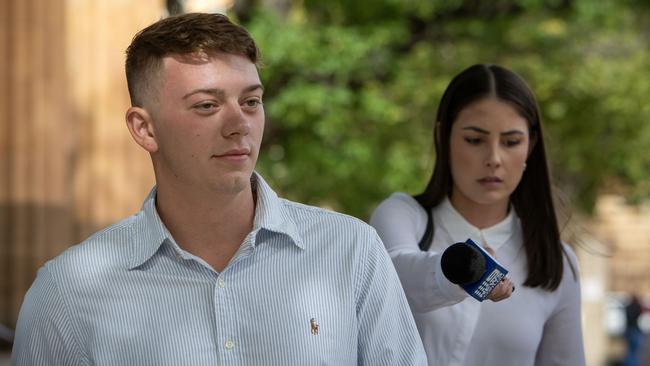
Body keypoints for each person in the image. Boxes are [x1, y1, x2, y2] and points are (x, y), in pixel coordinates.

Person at [12, 13, 426, 365]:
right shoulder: (67, 293)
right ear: (145, 128)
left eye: (251, 102)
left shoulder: (350, 252)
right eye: (207, 105)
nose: (239, 124)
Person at [370, 64, 585, 366]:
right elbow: (396, 272)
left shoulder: (555, 261)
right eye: (475, 140)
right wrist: (465, 268)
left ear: (531, 145)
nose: (494, 159)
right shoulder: (403, 217)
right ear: (443, 136)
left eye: (511, 142)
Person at [623, 294, 645, 366]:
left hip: (629, 330)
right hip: (634, 330)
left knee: (630, 351)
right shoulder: (636, 307)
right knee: (633, 352)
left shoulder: (628, 307)